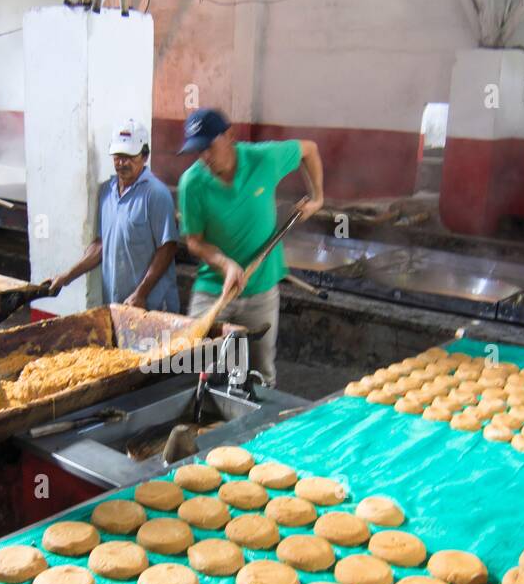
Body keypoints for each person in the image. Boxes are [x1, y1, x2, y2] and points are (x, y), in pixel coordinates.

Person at [177, 108, 324, 387]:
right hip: (214, 289)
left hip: (261, 288)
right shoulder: (192, 183)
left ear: (230, 136)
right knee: (193, 365)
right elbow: (194, 241)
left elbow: (310, 150)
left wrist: (318, 198)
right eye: (198, 151)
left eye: (209, 147)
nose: (205, 157)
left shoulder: (263, 159)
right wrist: (226, 264)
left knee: (260, 373)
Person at [50, 120, 179, 311]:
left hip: (151, 304)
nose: (122, 163)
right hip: (117, 303)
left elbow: (167, 248)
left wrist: (141, 294)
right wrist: (66, 277)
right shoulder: (106, 192)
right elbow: (101, 246)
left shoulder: (156, 194)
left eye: (129, 156)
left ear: (144, 156)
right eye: (118, 156)